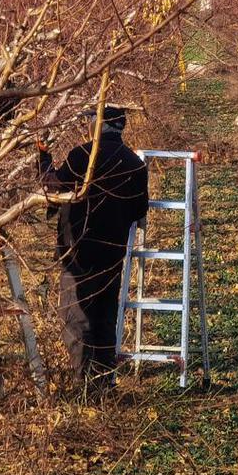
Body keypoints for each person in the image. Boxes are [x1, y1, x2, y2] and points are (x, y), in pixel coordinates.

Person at [38, 105, 149, 390]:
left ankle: (83, 382)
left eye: (90, 121)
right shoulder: (135, 165)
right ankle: (104, 381)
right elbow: (139, 211)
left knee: (76, 317)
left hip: (77, 251)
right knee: (105, 316)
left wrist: (42, 157)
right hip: (113, 253)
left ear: (98, 126)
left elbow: (52, 191)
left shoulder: (81, 156)